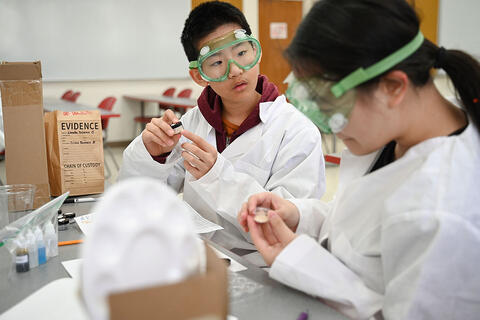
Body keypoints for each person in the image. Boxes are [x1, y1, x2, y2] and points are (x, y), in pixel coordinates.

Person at [238, 0, 480, 318]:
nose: (325, 124)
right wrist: (299, 215)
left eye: (330, 103)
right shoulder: (400, 128)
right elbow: (361, 221)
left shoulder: (439, 211)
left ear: (393, 86)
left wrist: (304, 264)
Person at [119, 1, 325, 251]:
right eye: (217, 63)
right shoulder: (190, 125)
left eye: (241, 53)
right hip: (196, 255)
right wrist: (153, 156)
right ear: (198, 75)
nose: (236, 70)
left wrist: (217, 177)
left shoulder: (296, 131)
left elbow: (285, 222)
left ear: (254, 49)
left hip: (262, 265)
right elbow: (139, 201)